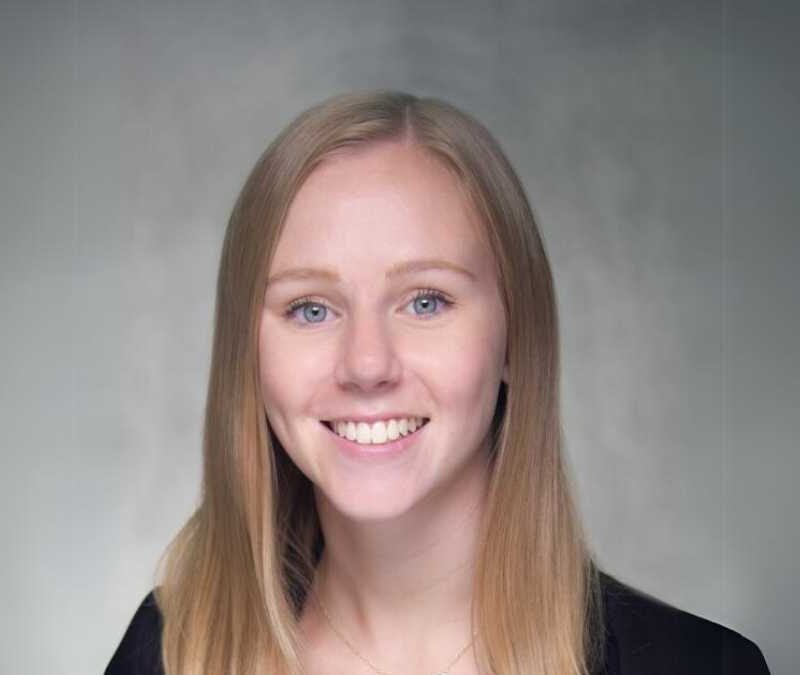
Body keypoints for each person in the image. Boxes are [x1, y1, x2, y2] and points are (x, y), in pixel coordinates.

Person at [105, 90, 770, 675]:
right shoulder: (167, 654)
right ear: (246, 353)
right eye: (311, 308)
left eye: (425, 301)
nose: (367, 364)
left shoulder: (703, 664)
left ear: (515, 335)